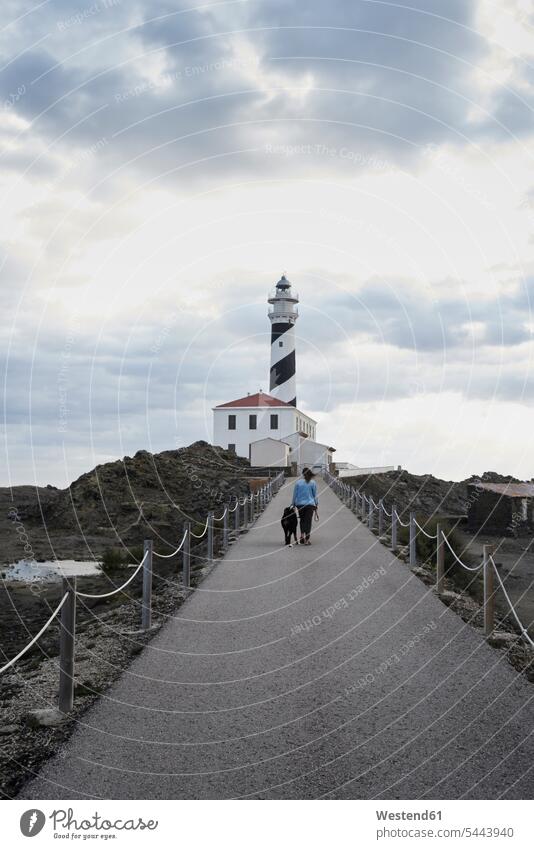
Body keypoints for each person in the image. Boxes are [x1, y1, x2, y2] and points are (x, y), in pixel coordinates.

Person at [291, 468, 319, 545]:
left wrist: (293, 504)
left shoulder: (298, 483)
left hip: (300, 504)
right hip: (310, 505)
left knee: (302, 520)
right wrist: (316, 503)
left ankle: (302, 536)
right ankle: (307, 540)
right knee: (308, 521)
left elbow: (294, 495)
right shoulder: (313, 482)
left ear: (303, 474)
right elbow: (315, 495)